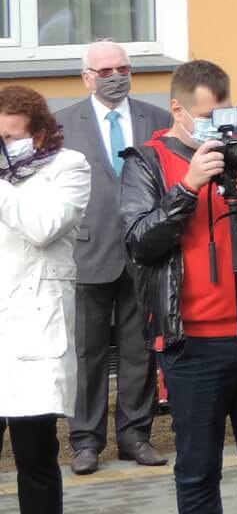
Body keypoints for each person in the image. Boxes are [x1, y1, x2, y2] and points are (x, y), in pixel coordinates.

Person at [124, 60, 237, 514]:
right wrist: (187, 188)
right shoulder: (147, 162)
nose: (220, 130)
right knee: (198, 472)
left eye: (226, 117)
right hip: (193, 346)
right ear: (178, 110)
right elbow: (139, 243)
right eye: (207, 118)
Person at [55, 41, 169, 475]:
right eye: (105, 71)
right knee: (87, 353)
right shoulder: (62, 124)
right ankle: (85, 441)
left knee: (140, 349)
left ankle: (135, 436)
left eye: (123, 68)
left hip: (143, 251)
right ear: (87, 77)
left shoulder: (156, 119)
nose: (116, 76)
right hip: (88, 251)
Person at [0, 86, 91, 514]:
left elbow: (43, 227)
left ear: (37, 136)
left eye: (9, 137)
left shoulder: (69, 167)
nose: (3, 145)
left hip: (35, 328)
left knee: (34, 454)